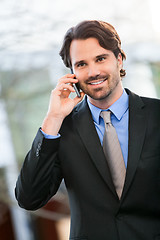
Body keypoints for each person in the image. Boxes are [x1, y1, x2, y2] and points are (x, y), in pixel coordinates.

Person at [15, 20, 160, 240]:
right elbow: (29, 198)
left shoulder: (156, 115)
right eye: (81, 64)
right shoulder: (60, 130)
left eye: (100, 59)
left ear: (119, 59)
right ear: (72, 73)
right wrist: (53, 118)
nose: (93, 72)